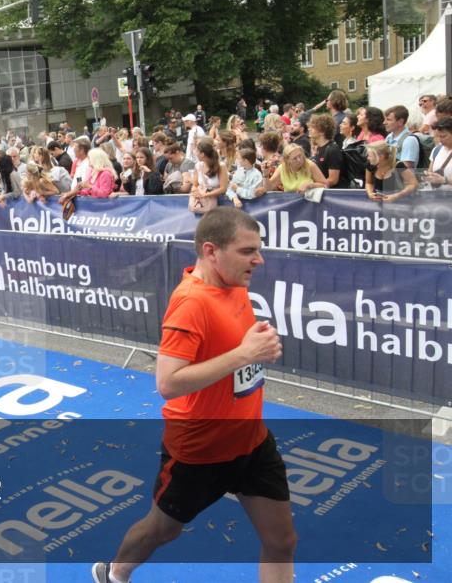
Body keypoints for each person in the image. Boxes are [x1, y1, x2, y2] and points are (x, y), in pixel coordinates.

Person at [93, 207, 293, 583]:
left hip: (251, 440)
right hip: (200, 449)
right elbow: (168, 383)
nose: (259, 259)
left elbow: (234, 360)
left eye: (258, 249)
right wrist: (245, 354)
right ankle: (114, 573)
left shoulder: (235, 286)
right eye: (248, 251)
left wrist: (255, 349)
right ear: (211, 251)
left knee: (281, 540)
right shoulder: (190, 303)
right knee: (162, 530)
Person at [309, 114, 347, 189]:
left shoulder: (332, 150)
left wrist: (312, 186)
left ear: (322, 132)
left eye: (313, 128)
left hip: (329, 194)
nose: (309, 129)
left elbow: (333, 180)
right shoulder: (318, 148)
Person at [383, 105, 420, 169]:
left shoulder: (409, 140)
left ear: (400, 122)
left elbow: (406, 168)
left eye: (388, 120)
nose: (384, 122)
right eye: (385, 119)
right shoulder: (389, 137)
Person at [423, 116, 452, 190]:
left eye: (443, 136)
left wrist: (444, 180)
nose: (440, 140)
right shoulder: (437, 150)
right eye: (438, 136)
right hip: (438, 197)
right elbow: (430, 171)